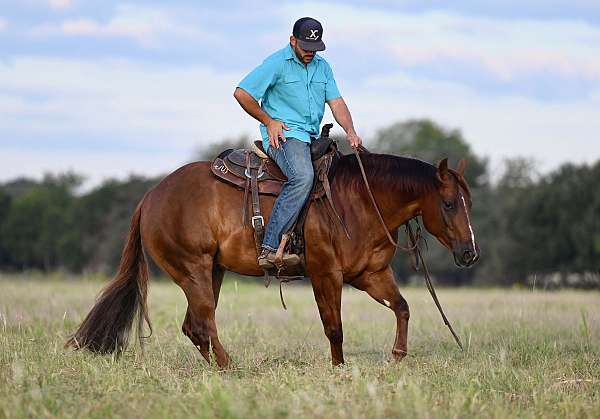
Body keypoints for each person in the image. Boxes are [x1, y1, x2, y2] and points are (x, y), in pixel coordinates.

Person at [233, 17, 362, 269]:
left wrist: (350, 130)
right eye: (305, 48)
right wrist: (269, 121)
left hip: (313, 138)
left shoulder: (323, 67)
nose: (310, 53)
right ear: (292, 40)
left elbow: (336, 103)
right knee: (302, 176)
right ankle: (269, 248)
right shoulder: (276, 63)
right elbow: (242, 93)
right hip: (285, 137)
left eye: (315, 49)